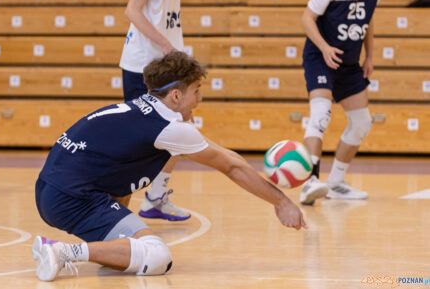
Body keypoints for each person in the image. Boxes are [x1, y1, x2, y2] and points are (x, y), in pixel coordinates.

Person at [33, 52, 307, 281]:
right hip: (72, 199)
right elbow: (231, 166)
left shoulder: (141, 110)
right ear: (176, 95)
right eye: (196, 91)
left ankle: (107, 251)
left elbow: (117, 175)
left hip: (51, 189)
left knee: (131, 251)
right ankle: (63, 252)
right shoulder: (169, 128)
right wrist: (280, 201)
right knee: (158, 257)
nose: (199, 99)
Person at [299, 0, 384, 205]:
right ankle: (310, 181)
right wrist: (325, 48)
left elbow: (368, 17)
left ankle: (336, 182)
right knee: (320, 115)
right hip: (320, 56)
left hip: (348, 62)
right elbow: (307, 18)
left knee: (361, 123)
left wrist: (370, 56)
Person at [119, 0, 188, 221]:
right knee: (140, 141)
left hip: (163, 65)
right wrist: (166, 45)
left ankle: (156, 198)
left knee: (181, 129)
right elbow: (132, 10)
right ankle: (116, 205)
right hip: (143, 68)